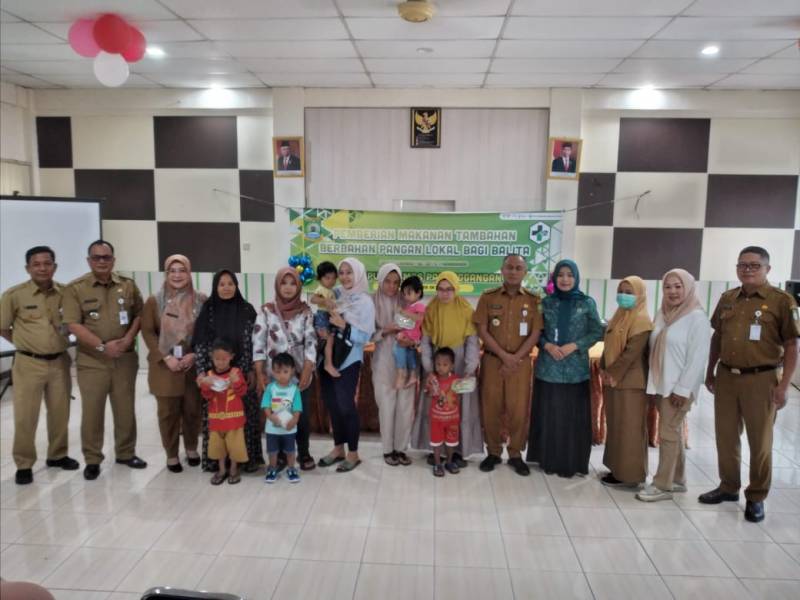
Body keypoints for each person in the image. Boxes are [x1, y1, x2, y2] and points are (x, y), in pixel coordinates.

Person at [700, 246, 799, 523]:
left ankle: (756, 496)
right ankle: (728, 486)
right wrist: (710, 371)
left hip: (762, 379)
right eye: (742, 265)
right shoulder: (728, 299)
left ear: (768, 269)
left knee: (760, 441)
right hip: (727, 377)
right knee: (725, 436)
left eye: (754, 265)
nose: (747, 269)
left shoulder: (782, 301)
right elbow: (717, 338)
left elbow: (793, 345)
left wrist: (784, 386)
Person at [63, 240, 146, 481]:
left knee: (125, 410)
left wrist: (128, 339)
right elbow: (73, 324)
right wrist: (102, 346)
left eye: (106, 257)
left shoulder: (127, 285)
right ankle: (92, 459)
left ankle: (126, 453)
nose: (101, 261)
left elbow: (139, 315)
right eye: (96, 257)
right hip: (92, 361)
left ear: (113, 260)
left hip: (124, 359)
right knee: (92, 412)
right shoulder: (75, 288)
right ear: (89, 261)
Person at [1, 246, 78, 485]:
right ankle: (24, 464)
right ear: (28, 268)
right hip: (28, 364)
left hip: (59, 362)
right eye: (36, 264)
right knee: (26, 416)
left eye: (47, 263)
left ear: (55, 266)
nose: (42, 268)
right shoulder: (14, 295)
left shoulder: (67, 293)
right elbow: (3, 327)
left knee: (60, 413)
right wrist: (26, 343)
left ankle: (57, 455)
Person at [637, 269, 711, 502]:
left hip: (678, 389)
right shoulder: (663, 313)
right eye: (668, 286)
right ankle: (678, 480)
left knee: (668, 433)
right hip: (661, 385)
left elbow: (698, 359)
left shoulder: (697, 318)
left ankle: (662, 485)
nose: (673, 291)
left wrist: (682, 389)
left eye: (678, 286)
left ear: (688, 288)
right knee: (674, 432)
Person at [527, 259, 604, 477]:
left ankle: (571, 463)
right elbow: (536, 331)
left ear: (576, 277)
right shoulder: (545, 303)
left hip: (575, 371)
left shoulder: (586, 303)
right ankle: (548, 460)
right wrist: (547, 345)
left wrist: (575, 345)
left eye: (570, 275)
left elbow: (597, 331)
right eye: (560, 275)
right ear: (554, 278)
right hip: (548, 369)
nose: (565, 279)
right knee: (550, 416)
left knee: (572, 419)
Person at [474, 254, 543, 476]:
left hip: (520, 364)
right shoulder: (488, 297)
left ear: (525, 272)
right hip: (493, 362)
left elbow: (536, 333)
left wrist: (514, 358)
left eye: (518, 268)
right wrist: (505, 356)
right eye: (509, 267)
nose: (513, 272)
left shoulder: (534, 300)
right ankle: (493, 452)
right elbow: (482, 330)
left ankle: (515, 454)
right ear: (502, 270)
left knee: (519, 410)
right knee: (491, 408)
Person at [140, 254, 206, 473]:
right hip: (165, 367)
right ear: (166, 274)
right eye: (172, 271)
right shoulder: (155, 301)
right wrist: (166, 357)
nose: (177, 275)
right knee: (168, 413)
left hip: (191, 365)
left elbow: (207, 331)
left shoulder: (200, 300)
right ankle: (171, 454)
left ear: (189, 273)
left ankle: (191, 448)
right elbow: (148, 332)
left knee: (192, 409)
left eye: (182, 270)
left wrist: (194, 354)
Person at [411, 271, 483, 466]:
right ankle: (436, 449)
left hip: (459, 364)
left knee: (460, 407)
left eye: (449, 289)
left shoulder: (466, 309)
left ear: (456, 289)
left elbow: (472, 341)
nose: (445, 293)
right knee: (435, 406)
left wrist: (470, 367)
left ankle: (458, 451)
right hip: (437, 363)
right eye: (441, 289)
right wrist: (429, 367)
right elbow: (425, 341)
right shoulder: (431, 309)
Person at [193, 270, 260, 472]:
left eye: (231, 283)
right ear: (215, 287)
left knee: (243, 419)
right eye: (221, 284)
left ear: (236, 286)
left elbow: (252, 342)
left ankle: (245, 462)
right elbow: (201, 344)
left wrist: (250, 369)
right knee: (217, 421)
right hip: (215, 377)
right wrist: (202, 372)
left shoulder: (247, 309)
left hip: (240, 375)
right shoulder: (208, 310)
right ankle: (218, 463)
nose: (226, 287)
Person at [253, 266, 317, 471]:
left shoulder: (306, 312)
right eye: (284, 283)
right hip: (274, 377)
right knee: (278, 414)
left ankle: (303, 452)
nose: (288, 288)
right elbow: (258, 343)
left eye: (292, 283)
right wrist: (259, 373)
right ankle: (280, 454)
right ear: (277, 285)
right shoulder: (266, 311)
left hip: (299, 376)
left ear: (298, 287)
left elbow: (311, 342)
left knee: (300, 415)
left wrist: (307, 369)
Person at [317, 258, 375, 473]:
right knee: (332, 405)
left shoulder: (365, 302)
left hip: (349, 359)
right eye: (341, 272)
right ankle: (338, 448)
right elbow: (319, 305)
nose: (344, 277)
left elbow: (366, 337)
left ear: (358, 274)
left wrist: (345, 326)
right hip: (328, 356)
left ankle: (353, 453)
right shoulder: (336, 294)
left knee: (345, 406)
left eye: (349, 272)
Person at [599, 276, 654, 488]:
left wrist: (611, 373)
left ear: (640, 295)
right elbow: (608, 346)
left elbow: (631, 354)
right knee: (616, 426)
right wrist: (604, 368)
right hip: (614, 381)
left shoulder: (642, 321)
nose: (624, 296)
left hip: (631, 383)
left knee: (630, 429)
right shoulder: (619, 316)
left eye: (629, 292)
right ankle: (617, 469)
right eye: (621, 291)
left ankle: (631, 475)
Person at [372, 263, 416, 466]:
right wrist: (385, 331)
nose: (392, 286)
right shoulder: (371, 301)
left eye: (396, 282)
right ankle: (388, 450)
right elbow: (366, 334)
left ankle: (401, 448)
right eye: (388, 281)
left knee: (405, 406)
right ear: (381, 280)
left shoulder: (406, 301)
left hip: (406, 357)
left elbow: (418, 327)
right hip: (383, 359)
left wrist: (412, 341)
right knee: (386, 405)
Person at [198, 339, 248, 485]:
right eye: (217, 359)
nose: (220, 362)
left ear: (231, 357)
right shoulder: (208, 374)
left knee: (235, 447)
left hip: (234, 420)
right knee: (218, 447)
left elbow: (242, 392)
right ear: (211, 357)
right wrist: (205, 385)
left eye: (224, 359)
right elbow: (207, 396)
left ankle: (233, 469)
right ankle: (221, 470)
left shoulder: (235, 372)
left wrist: (236, 381)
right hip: (216, 420)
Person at [261, 352, 303, 483]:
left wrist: (294, 420)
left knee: (290, 450)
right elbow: (266, 405)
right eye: (278, 372)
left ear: (292, 371)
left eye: (285, 371)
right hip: (272, 429)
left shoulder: (294, 390)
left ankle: (291, 468)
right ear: (273, 372)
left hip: (289, 428)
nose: (282, 375)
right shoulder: (270, 388)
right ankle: (272, 468)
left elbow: (297, 408)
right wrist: (270, 416)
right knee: (272, 451)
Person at [427, 347, 462, 477]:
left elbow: (459, 396)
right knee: (436, 442)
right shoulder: (432, 379)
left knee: (451, 442)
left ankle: (449, 461)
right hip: (436, 419)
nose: (441, 367)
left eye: (445, 364)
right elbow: (428, 394)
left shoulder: (456, 380)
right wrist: (431, 389)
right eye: (438, 364)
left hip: (452, 419)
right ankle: (437, 463)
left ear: (452, 366)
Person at [393, 275, 425, 390]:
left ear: (418, 293)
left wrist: (404, 312)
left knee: (397, 348)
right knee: (410, 354)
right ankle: (412, 375)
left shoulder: (419, 305)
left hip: (412, 335)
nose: (406, 296)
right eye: (404, 294)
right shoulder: (409, 306)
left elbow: (420, 318)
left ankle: (401, 372)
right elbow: (405, 322)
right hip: (408, 334)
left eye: (409, 293)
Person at [310, 261, 339, 377]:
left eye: (334, 278)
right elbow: (313, 299)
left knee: (330, 340)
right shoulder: (321, 289)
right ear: (320, 278)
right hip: (322, 316)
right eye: (327, 278)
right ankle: (327, 364)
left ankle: (323, 363)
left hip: (329, 316)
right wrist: (324, 300)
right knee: (328, 340)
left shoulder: (331, 291)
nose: (331, 281)